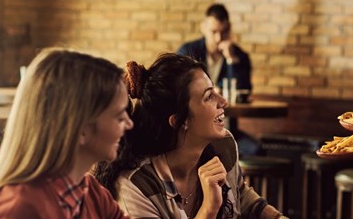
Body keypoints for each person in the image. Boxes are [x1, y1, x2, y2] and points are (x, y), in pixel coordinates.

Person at [94, 53, 285, 219]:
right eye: (209, 97)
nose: (223, 102)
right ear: (179, 121)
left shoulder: (223, 145)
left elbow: (240, 194)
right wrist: (209, 208)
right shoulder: (136, 187)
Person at [0, 49, 134, 218]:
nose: (130, 124)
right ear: (81, 129)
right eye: (119, 117)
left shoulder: (90, 192)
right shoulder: (16, 210)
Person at [178, 3, 252, 94]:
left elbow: (243, 90)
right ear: (203, 28)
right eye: (213, 32)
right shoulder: (188, 51)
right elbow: (180, 86)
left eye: (224, 32)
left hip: (227, 108)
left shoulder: (240, 56)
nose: (219, 38)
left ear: (229, 29)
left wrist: (231, 60)